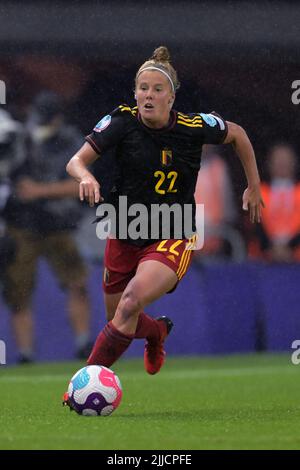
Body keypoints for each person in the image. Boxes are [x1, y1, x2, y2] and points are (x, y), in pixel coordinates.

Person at [63, 46, 263, 404]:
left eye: (157, 89)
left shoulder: (192, 127)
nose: (148, 95)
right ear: (135, 93)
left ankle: (78, 386)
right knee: (121, 316)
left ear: (172, 97)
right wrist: (85, 177)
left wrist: (253, 185)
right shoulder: (121, 122)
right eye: (143, 88)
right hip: (125, 230)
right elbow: (75, 161)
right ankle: (156, 332)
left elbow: (239, 135)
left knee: (128, 305)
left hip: (172, 232)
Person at [2, 91, 93, 363]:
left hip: (58, 223)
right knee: (17, 291)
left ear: (57, 118)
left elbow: (83, 184)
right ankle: (26, 354)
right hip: (22, 224)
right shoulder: (16, 137)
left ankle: (83, 344)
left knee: (76, 282)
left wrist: (40, 191)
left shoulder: (72, 142)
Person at [248, 143, 300, 262]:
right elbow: (254, 225)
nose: (282, 165)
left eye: (286, 161)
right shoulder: (257, 191)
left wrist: (291, 247)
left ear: (294, 163)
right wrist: (270, 247)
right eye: (278, 161)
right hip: (265, 259)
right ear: (270, 164)